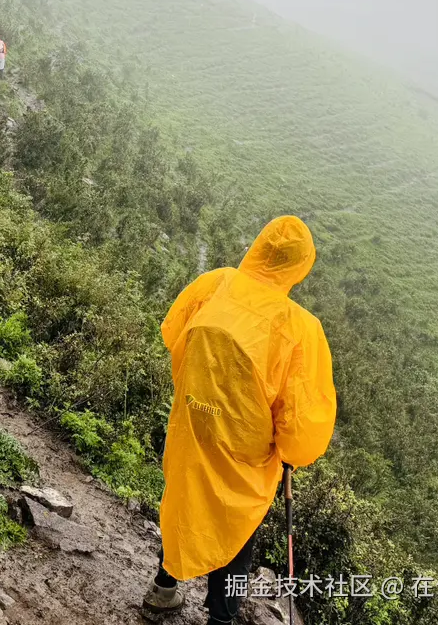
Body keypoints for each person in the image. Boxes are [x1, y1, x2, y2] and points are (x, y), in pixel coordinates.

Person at [141, 216, 337, 625]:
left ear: (259, 246)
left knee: (184, 501)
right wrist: (289, 453)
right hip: (245, 451)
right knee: (236, 527)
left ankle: (163, 591)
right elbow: (303, 417)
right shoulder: (300, 328)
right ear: (301, 265)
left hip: (193, 423)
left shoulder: (216, 283)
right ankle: (221, 618)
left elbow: (174, 334)